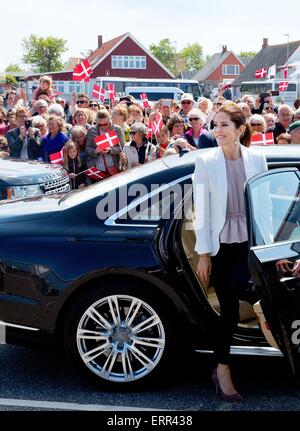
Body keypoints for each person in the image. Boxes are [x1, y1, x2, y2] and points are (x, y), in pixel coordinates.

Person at [192, 102, 268, 402]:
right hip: (220, 246)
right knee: (230, 312)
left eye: (224, 125)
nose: (218, 130)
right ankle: (222, 370)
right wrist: (203, 254)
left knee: (255, 295)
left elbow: (264, 207)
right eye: (215, 124)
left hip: (249, 244)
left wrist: (271, 246)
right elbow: (201, 210)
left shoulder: (257, 158)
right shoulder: (207, 162)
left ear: (240, 128)